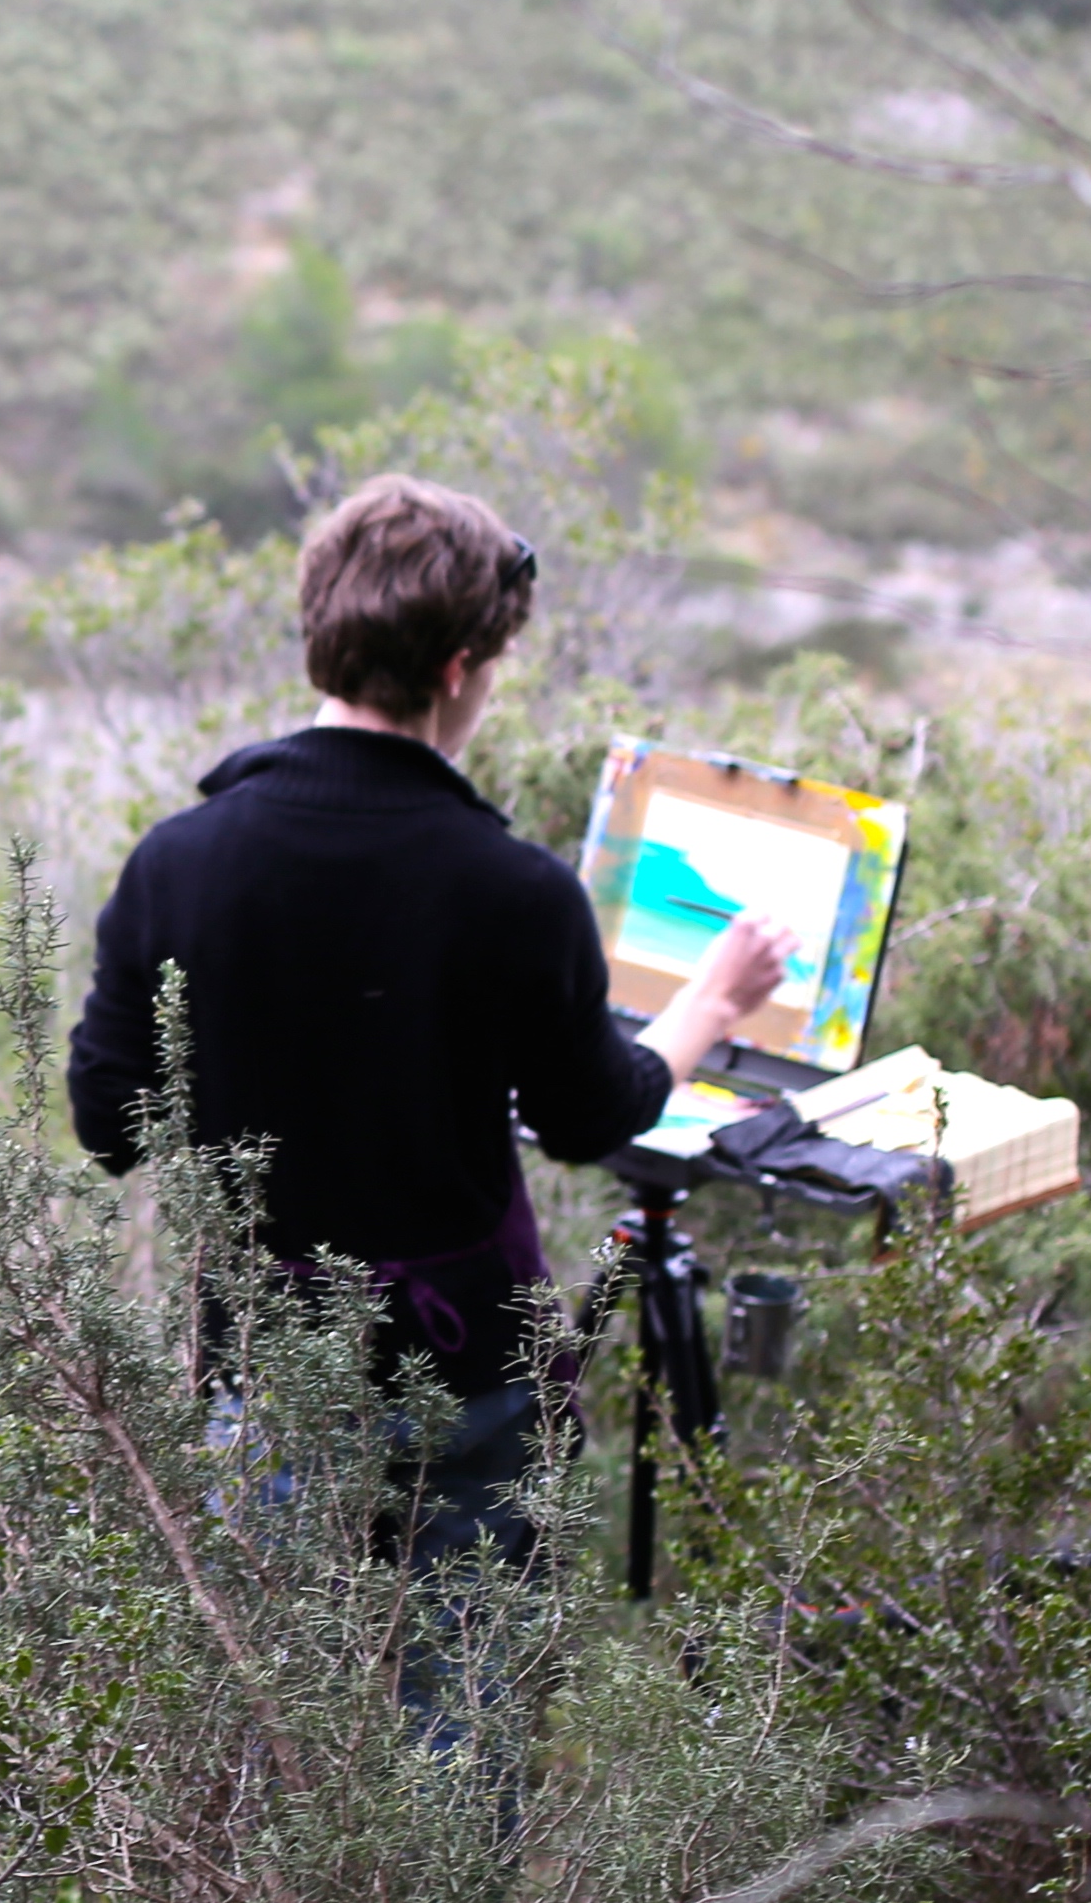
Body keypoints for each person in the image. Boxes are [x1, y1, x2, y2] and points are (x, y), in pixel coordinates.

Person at [62, 471, 791, 1575]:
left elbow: (109, 1121)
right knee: (462, 1719)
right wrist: (713, 1003)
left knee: (276, 1710)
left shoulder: (179, 861)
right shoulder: (513, 889)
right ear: (458, 670)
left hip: (264, 1367)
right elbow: (594, 1116)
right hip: (465, 1381)